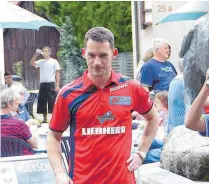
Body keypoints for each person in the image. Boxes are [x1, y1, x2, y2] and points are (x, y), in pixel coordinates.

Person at [46, 27, 160, 184]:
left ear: (114, 54)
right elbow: (53, 136)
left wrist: (141, 152)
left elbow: (153, 118)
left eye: (103, 56)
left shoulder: (132, 88)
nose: (97, 62)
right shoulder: (68, 94)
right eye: (91, 55)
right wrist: (59, 173)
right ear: (83, 53)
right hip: (82, 180)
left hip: (122, 180)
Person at [1, 88, 38, 155]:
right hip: (23, 160)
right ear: (9, 104)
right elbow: (35, 145)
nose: (17, 107)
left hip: (4, 161)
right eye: (17, 104)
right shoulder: (19, 124)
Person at [30, 46, 61, 123]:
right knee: (42, 101)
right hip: (43, 84)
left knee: (52, 101)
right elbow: (31, 63)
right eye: (43, 51)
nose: (44, 52)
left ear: (49, 52)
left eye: (46, 51)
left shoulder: (54, 61)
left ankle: (54, 119)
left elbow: (57, 73)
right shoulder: (41, 61)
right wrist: (36, 55)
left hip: (51, 83)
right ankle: (45, 119)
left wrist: (57, 85)